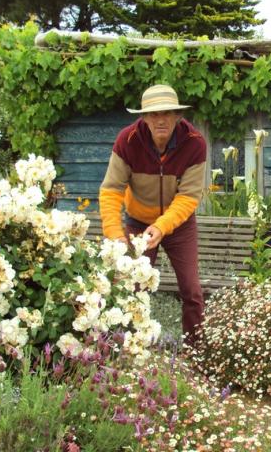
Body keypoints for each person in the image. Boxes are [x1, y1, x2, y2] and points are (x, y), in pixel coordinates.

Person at [99, 84, 207, 345]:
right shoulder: (127, 141)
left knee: (191, 290)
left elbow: (188, 197)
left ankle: (197, 351)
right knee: (131, 287)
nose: (161, 120)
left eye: (168, 113)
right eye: (154, 114)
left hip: (178, 224)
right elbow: (111, 191)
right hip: (137, 223)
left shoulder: (195, 144)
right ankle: (129, 347)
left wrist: (162, 226)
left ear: (177, 115)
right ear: (144, 117)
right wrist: (115, 236)